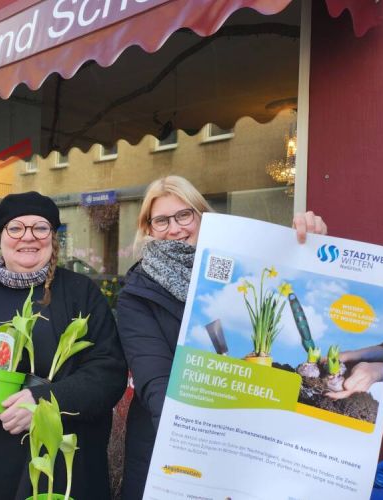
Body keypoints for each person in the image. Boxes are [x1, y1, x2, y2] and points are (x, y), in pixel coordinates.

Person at [116, 175, 327, 500]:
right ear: (148, 229)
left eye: (184, 215)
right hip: (173, 449)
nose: (175, 228)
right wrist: (209, 443)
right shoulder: (138, 294)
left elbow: (293, 282)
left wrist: (309, 243)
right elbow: (155, 382)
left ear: (202, 216)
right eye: (161, 220)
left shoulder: (242, 269)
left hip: (248, 445)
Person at [0, 191, 127, 500]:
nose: (28, 237)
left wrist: (43, 402)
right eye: (15, 228)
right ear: (0, 237)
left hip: (59, 460)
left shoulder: (80, 292)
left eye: (40, 228)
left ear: (53, 237)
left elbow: (108, 371)